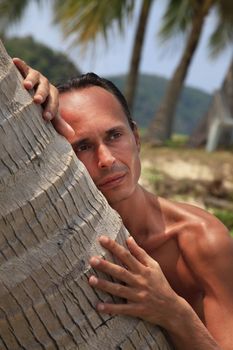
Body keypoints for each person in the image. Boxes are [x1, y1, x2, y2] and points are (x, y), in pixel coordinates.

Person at [13, 58, 233, 350]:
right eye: (83, 146)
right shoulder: (53, 238)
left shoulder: (200, 239)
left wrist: (172, 311)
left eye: (114, 136)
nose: (106, 160)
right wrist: (20, 90)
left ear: (136, 137)